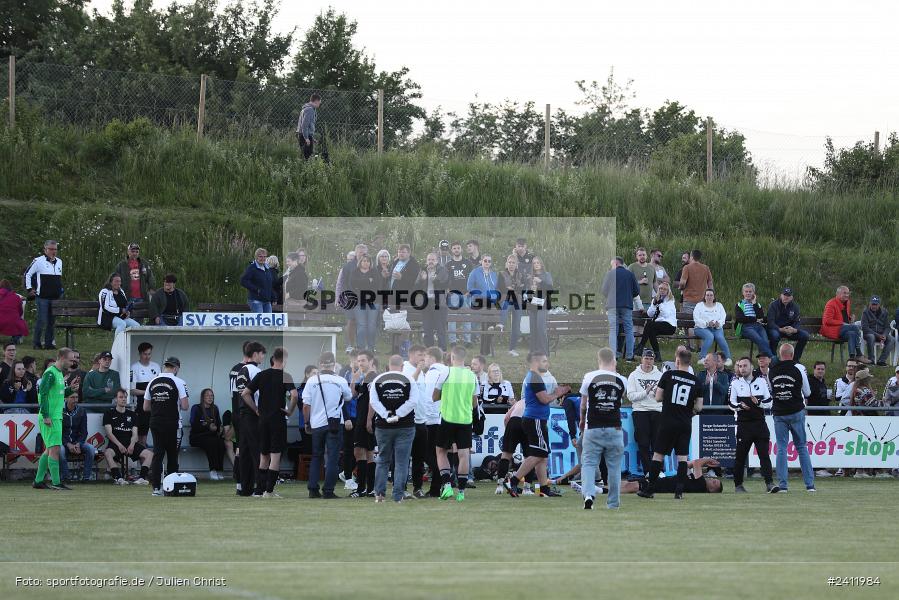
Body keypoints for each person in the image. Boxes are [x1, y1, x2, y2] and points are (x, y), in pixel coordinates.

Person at [638, 348, 703, 499]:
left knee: (658, 455)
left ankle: (650, 489)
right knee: (682, 458)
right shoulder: (696, 381)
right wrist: (688, 411)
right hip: (685, 423)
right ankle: (679, 492)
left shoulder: (668, 375)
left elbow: (658, 398)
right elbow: (699, 407)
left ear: (677, 361)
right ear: (690, 362)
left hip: (667, 421)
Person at [504, 352, 571, 498]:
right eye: (544, 361)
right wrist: (558, 393)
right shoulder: (534, 377)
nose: (547, 364)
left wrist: (555, 393)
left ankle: (544, 489)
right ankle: (513, 480)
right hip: (534, 419)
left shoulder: (533, 376)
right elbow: (544, 399)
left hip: (536, 419)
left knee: (543, 455)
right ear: (536, 362)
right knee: (538, 453)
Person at [243, 347, 298, 497]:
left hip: (263, 421)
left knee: (263, 455)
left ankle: (259, 490)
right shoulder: (285, 375)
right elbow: (294, 395)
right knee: (275, 456)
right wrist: (290, 411)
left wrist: (255, 409)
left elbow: (245, 393)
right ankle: (269, 491)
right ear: (285, 360)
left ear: (272, 359)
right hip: (277, 420)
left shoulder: (261, 375)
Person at [578, 347, 628, 510]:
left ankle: (588, 494)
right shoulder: (622, 380)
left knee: (589, 463)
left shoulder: (589, 377)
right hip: (614, 427)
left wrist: (581, 421)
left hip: (593, 427)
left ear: (599, 360)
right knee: (614, 466)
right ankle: (613, 503)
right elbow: (618, 401)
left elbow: (583, 405)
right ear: (613, 361)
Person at [368, 355, 421, 503]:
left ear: (388, 365)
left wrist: (386, 415)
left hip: (383, 426)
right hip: (405, 425)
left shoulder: (378, 380)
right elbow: (413, 401)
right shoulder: (409, 379)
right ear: (402, 366)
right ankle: (398, 495)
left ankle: (379, 494)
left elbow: (374, 402)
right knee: (402, 462)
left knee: (383, 459)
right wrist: (398, 414)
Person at [302, 351, 352, 499]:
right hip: (335, 423)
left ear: (320, 364)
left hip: (317, 424)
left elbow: (305, 405)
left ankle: (313, 489)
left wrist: (307, 422)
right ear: (334, 364)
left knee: (316, 456)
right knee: (333, 457)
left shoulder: (311, 381)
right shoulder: (340, 380)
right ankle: (328, 490)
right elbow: (348, 397)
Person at [432, 345, 479, 502]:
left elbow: (434, 396)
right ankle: (461, 492)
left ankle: (446, 485)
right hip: (465, 420)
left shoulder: (446, 371)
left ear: (452, 358)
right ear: (464, 358)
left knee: (441, 451)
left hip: (447, 418)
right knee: (464, 454)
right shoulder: (472, 375)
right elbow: (474, 402)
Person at [728, 357, 779, 493]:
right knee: (740, 456)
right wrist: (740, 405)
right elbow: (731, 403)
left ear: (751, 367)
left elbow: (769, 401)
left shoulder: (762, 381)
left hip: (759, 424)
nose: (742, 368)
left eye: (745, 366)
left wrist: (758, 403)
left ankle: (770, 483)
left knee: (764, 455)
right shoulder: (735, 383)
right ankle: (738, 485)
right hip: (743, 425)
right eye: (740, 366)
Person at [769, 344, 815, 492]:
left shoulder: (772, 370)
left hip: (779, 413)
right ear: (793, 354)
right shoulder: (799, 368)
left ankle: (783, 485)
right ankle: (809, 485)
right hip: (796, 411)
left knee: (781, 448)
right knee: (802, 447)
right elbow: (807, 392)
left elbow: (771, 390)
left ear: (780, 354)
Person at [144, 357, 189, 496]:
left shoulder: (152, 381)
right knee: (172, 455)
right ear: (176, 368)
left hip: (156, 422)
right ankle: (171, 487)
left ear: (165, 366)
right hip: (173, 423)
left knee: (158, 455)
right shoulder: (179, 382)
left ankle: (156, 488)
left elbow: (146, 407)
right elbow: (185, 406)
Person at [33, 348, 74, 490]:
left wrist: (71, 389)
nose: (72, 362)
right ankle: (56, 483)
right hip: (50, 417)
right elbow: (43, 394)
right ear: (62, 358)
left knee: (49, 450)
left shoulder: (58, 373)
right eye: (70, 359)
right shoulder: (50, 373)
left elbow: (58, 394)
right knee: (55, 449)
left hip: (55, 416)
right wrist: (46, 415)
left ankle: (38, 481)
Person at [233, 341, 265, 496]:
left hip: (241, 415)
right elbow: (253, 395)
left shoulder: (241, 370)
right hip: (252, 415)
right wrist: (257, 410)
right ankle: (260, 488)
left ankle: (245, 488)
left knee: (244, 452)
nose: (263, 357)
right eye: (262, 353)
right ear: (255, 354)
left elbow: (240, 393)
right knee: (257, 451)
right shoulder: (255, 371)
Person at [103, 388, 152, 485]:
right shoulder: (109, 413)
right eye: (121, 397)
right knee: (108, 453)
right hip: (116, 443)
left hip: (130, 444)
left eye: (125, 397)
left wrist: (132, 445)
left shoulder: (132, 414)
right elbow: (109, 433)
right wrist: (119, 445)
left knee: (149, 454)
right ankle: (118, 478)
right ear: (116, 399)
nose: (124, 399)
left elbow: (135, 434)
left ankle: (141, 478)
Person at [627, 349, 663, 477]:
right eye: (646, 359)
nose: (648, 362)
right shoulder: (634, 375)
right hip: (640, 411)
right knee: (643, 443)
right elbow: (630, 396)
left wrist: (656, 394)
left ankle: (659, 471)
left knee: (657, 444)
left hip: (657, 411)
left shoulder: (659, 375)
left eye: (651, 359)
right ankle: (648, 471)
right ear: (641, 359)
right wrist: (646, 392)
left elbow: (665, 395)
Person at [420, 346, 448, 498]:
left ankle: (441, 483)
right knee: (441, 453)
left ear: (431, 357)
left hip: (433, 419)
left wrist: (426, 417)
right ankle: (438, 487)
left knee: (428, 453)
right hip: (445, 417)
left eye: (425, 357)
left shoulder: (432, 373)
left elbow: (429, 397)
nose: (424, 360)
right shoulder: (447, 371)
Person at [24, 240, 63, 350]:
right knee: (41, 320)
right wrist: (29, 289)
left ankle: (49, 343)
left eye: (55, 249)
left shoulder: (59, 261)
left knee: (51, 321)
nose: (53, 251)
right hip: (42, 296)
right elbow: (28, 274)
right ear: (45, 249)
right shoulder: (38, 261)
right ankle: (36, 343)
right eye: (51, 249)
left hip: (55, 296)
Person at [601, 257, 641, 361]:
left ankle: (613, 357)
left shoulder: (609, 274)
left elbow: (604, 290)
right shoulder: (630, 274)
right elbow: (636, 291)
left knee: (613, 330)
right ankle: (629, 356)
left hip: (612, 306)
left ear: (616, 263)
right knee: (629, 330)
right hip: (626, 305)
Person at [349, 351, 378, 497]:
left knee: (364, 452)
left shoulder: (372, 377)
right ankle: (367, 488)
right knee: (365, 452)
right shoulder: (363, 378)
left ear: (371, 361)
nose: (360, 363)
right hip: (361, 418)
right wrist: (354, 379)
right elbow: (352, 395)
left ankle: (364, 488)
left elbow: (373, 400)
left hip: (366, 420)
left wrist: (368, 420)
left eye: (363, 361)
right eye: (358, 361)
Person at [820, 286, 868, 364]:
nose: (847, 295)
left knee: (852, 334)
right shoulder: (831, 304)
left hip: (843, 329)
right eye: (844, 293)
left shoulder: (847, 302)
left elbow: (843, 317)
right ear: (837, 294)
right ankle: (859, 354)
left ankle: (852, 359)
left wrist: (850, 319)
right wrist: (842, 323)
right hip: (832, 330)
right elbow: (827, 320)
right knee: (855, 328)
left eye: (848, 293)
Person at [189, 388, 227, 481]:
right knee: (211, 443)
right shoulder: (196, 408)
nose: (210, 397)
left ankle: (219, 470)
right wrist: (207, 427)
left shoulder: (215, 408)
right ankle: (212, 470)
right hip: (197, 437)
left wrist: (218, 428)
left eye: (212, 395)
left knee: (221, 443)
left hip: (211, 436)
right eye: (207, 395)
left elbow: (218, 424)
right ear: (203, 397)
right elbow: (194, 425)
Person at [467, 255, 501, 355]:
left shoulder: (493, 274)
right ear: (481, 261)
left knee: (491, 323)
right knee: (487, 324)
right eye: (485, 260)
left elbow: (496, 287)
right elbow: (470, 287)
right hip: (480, 300)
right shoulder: (475, 272)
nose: (487, 263)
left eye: (489, 261)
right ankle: (485, 351)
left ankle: (499, 324)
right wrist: (481, 295)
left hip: (492, 301)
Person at [60, 388, 96, 482]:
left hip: (77, 442)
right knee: (60, 450)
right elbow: (58, 432)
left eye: (76, 397)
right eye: (72, 397)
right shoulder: (60, 411)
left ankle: (86, 477)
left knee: (91, 449)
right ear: (66, 398)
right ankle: (66, 477)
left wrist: (78, 443)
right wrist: (67, 444)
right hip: (63, 442)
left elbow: (84, 431)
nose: (75, 400)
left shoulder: (81, 411)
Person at [635, 281, 677, 361]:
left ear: (668, 291)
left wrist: (660, 304)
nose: (662, 290)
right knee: (651, 332)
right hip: (659, 325)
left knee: (650, 324)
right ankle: (658, 356)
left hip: (670, 326)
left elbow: (666, 314)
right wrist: (654, 304)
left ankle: (640, 347)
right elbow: (650, 314)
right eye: (660, 288)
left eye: (664, 289)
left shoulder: (670, 301)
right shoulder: (656, 299)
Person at [416, 252, 450, 350]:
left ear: (437, 261)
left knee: (440, 329)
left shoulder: (442, 270)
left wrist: (435, 280)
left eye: (433, 260)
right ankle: (429, 351)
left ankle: (442, 351)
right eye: (429, 260)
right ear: (426, 261)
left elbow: (445, 284)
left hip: (439, 303)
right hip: (426, 303)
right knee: (427, 329)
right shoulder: (423, 270)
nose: (431, 262)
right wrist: (423, 280)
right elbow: (416, 286)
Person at [766, 288, 809, 362]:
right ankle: (773, 359)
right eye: (784, 295)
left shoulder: (795, 307)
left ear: (791, 297)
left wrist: (794, 330)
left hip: (790, 331)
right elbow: (770, 322)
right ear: (781, 295)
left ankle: (795, 359)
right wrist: (780, 329)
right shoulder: (773, 305)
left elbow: (797, 321)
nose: (786, 297)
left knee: (805, 335)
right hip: (777, 329)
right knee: (774, 336)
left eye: (788, 296)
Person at [129, 342, 159, 445]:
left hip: (155, 405)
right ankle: (143, 459)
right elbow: (132, 390)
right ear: (140, 354)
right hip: (140, 406)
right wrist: (148, 392)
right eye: (145, 354)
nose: (147, 356)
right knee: (141, 438)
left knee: (155, 435)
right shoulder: (134, 368)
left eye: (149, 354)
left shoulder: (156, 366)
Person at [692, 288, 732, 364]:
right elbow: (696, 319)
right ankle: (702, 358)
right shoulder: (699, 305)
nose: (709, 297)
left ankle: (728, 358)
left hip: (716, 328)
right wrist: (707, 323)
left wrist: (718, 323)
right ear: (704, 296)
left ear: (714, 297)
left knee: (720, 337)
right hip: (701, 328)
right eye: (707, 295)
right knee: (709, 336)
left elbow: (723, 317)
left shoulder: (719, 305)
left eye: (711, 295)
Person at [735, 283, 774, 358]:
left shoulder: (757, 304)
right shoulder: (739, 305)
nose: (748, 293)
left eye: (750, 291)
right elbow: (740, 319)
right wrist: (755, 319)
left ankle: (764, 361)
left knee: (765, 341)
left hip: (759, 326)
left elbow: (761, 317)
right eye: (746, 291)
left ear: (754, 293)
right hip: (746, 327)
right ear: (743, 293)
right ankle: (773, 359)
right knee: (760, 340)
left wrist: (754, 304)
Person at [350, 254, 380, 352]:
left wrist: (361, 284)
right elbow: (353, 284)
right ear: (360, 262)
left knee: (371, 325)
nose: (365, 263)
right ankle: (361, 348)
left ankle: (371, 348)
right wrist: (368, 281)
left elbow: (376, 285)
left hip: (373, 301)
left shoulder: (374, 272)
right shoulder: (355, 272)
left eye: (367, 261)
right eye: (364, 261)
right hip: (359, 302)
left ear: (370, 263)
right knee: (361, 325)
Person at [445, 242, 473, 346]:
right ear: (452, 251)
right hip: (453, 294)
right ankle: (453, 341)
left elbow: (472, 278)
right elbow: (445, 279)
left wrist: (469, 291)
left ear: (461, 249)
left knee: (466, 317)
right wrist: (448, 291)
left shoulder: (468, 263)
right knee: (452, 318)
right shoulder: (448, 264)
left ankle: (467, 341)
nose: (456, 250)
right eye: (454, 248)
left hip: (466, 294)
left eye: (458, 248)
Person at [499, 254, 526, 356]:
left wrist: (512, 288)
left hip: (517, 301)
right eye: (509, 262)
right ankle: (501, 324)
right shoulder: (501, 274)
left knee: (516, 325)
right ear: (506, 263)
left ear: (516, 264)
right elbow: (501, 287)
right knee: (505, 307)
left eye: (513, 263)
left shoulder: (520, 275)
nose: (511, 264)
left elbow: (522, 288)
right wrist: (510, 289)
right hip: (506, 299)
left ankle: (512, 349)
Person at [526, 256, 553, 355]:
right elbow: (527, 294)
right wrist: (531, 290)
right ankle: (533, 351)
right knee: (533, 329)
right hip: (532, 304)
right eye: (534, 263)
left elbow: (550, 289)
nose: (536, 265)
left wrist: (540, 282)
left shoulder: (546, 275)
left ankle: (544, 352)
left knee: (541, 328)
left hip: (543, 304)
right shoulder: (529, 277)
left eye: (538, 263)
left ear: (541, 264)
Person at [861, 295, 895, 366]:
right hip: (869, 334)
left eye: (876, 304)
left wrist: (884, 335)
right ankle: (871, 360)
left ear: (879, 305)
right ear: (870, 304)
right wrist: (877, 335)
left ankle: (881, 361)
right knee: (871, 337)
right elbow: (865, 328)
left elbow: (887, 327)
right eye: (872, 304)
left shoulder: (884, 312)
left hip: (881, 334)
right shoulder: (865, 312)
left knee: (891, 339)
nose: (874, 306)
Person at [677, 249, 713, 316]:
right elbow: (710, 283)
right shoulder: (706, 268)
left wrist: (680, 288)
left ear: (691, 257)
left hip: (688, 300)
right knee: (700, 321)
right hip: (702, 300)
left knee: (687, 323)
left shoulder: (687, 267)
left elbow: (682, 283)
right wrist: (711, 295)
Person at [241, 248, 276, 314]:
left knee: (268, 322)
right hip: (256, 300)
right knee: (259, 323)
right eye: (260, 256)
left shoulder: (267, 269)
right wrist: (256, 289)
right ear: (256, 257)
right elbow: (243, 281)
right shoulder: (252, 268)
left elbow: (269, 284)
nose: (263, 258)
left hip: (267, 301)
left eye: (264, 256)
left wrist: (273, 296)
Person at [296, 93, 322, 160]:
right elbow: (304, 125)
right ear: (316, 101)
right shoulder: (309, 110)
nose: (320, 104)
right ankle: (305, 169)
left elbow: (308, 126)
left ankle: (303, 168)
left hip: (304, 135)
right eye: (319, 102)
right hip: (304, 136)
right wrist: (306, 138)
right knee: (307, 156)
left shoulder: (306, 109)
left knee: (306, 155)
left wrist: (311, 138)